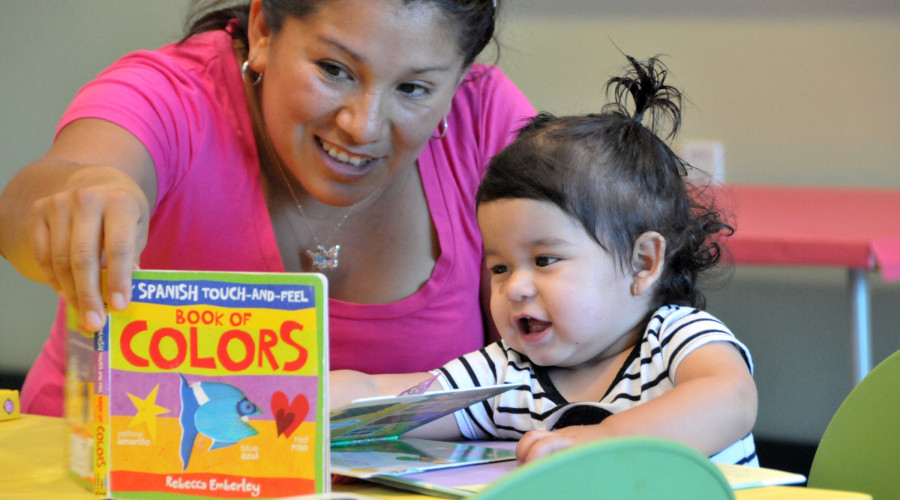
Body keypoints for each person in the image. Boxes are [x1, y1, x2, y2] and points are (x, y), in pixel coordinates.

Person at [0, 0, 535, 416]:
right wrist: (77, 195)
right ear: (262, 29)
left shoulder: (486, 122)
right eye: (334, 69)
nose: (364, 126)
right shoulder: (172, 96)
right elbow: (36, 200)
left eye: (414, 88)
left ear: (459, 81)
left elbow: (586, 319)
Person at [331, 55, 759, 466]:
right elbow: (391, 400)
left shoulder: (675, 339)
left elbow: (731, 399)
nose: (514, 287)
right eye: (499, 267)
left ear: (642, 263)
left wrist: (605, 439)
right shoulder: (508, 373)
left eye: (545, 260)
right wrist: (305, 396)